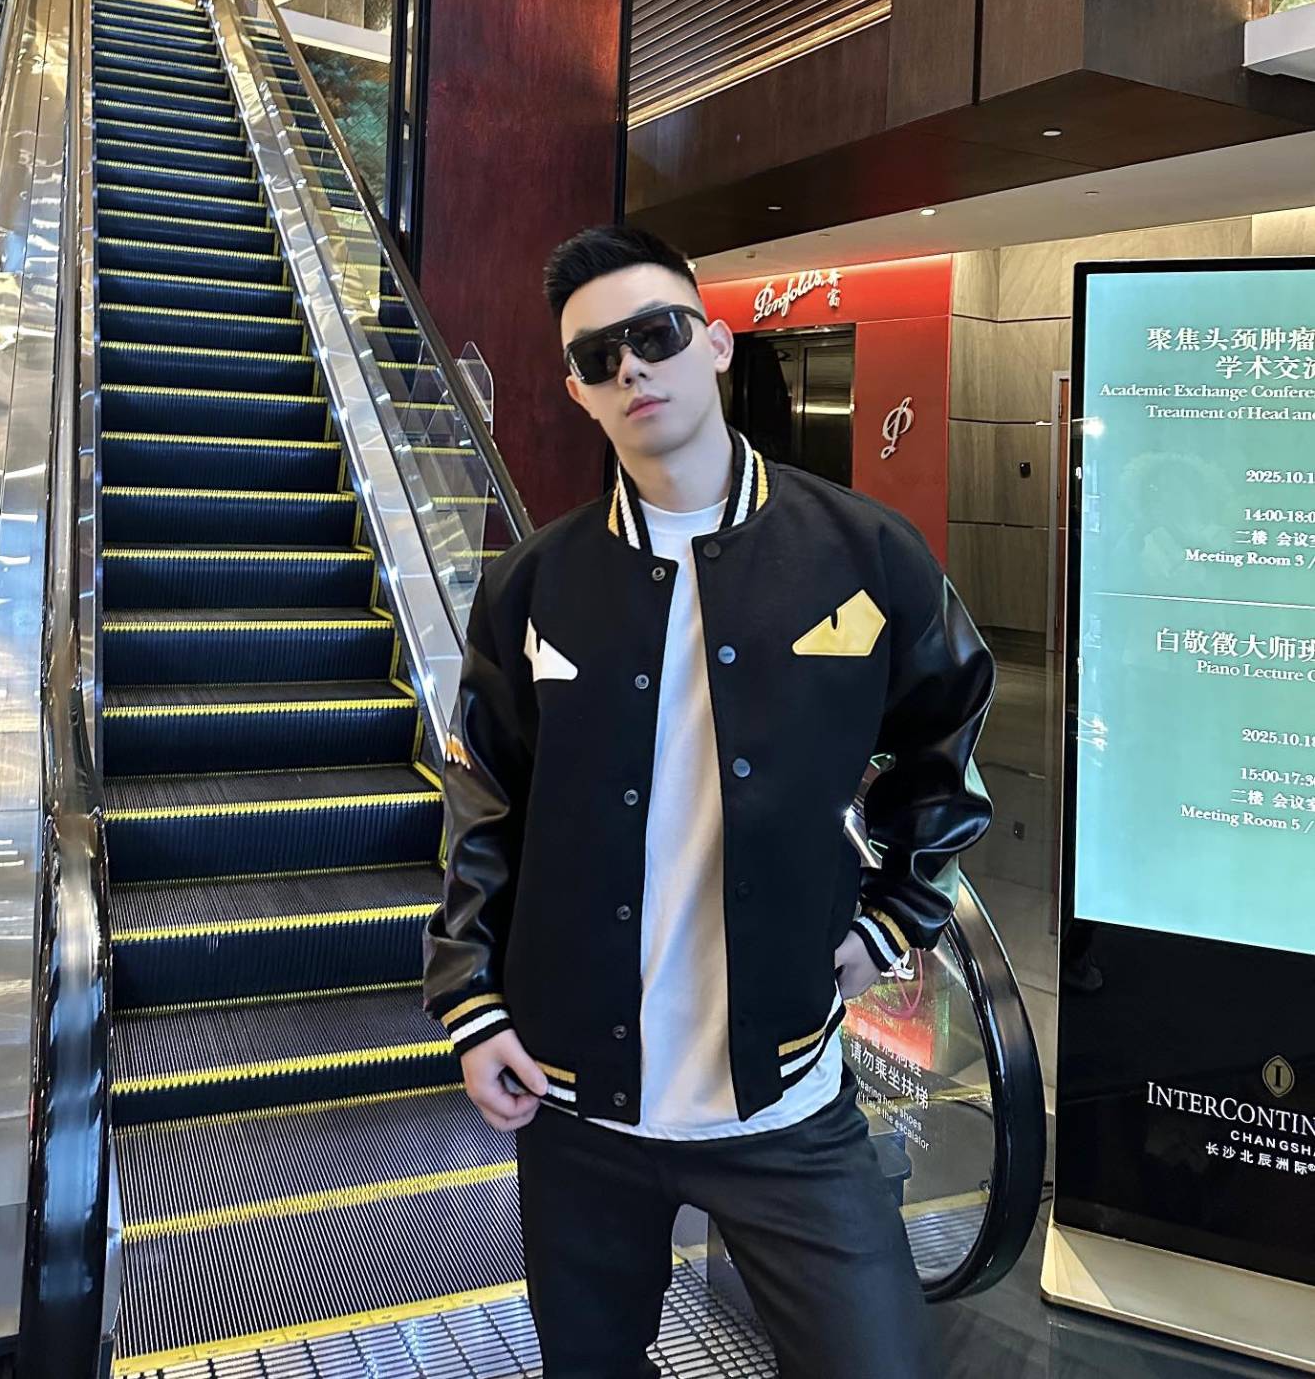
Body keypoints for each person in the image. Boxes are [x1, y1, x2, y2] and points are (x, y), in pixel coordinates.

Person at [424, 224, 994, 1378]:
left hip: (786, 1100)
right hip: (577, 1104)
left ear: (716, 344)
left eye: (655, 334)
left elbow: (947, 746)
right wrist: (469, 1001)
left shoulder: (864, 553)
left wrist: (893, 918)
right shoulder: (533, 584)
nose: (631, 367)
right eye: (596, 357)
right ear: (577, 392)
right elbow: (485, 800)